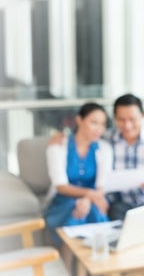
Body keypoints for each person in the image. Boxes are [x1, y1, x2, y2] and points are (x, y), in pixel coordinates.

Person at [45, 102, 112, 248]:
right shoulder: (58, 145)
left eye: (102, 124)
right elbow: (61, 186)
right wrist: (89, 194)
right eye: (94, 122)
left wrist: (89, 198)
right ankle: (72, 264)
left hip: (94, 200)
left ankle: (97, 264)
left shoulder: (104, 149)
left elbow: (102, 185)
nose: (99, 129)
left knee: (94, 211)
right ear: (79, 120)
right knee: (76, 212)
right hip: (63, 200)